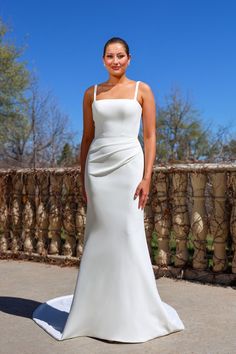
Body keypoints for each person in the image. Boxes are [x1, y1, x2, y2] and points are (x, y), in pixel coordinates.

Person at [32, 36, 185, 343]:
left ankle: (133, 311)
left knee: (128, 233)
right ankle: (94, 312)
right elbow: (87, 138)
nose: (115, 61)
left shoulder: (143, 90)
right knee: (99, 236)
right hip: (98, 169)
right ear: (103, 60)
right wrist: (82, 176)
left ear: (129, 59)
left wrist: (147, 178)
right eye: (109, 56)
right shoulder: (91, 93)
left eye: (120, 56)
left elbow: (151, 137)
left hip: (130, 165)